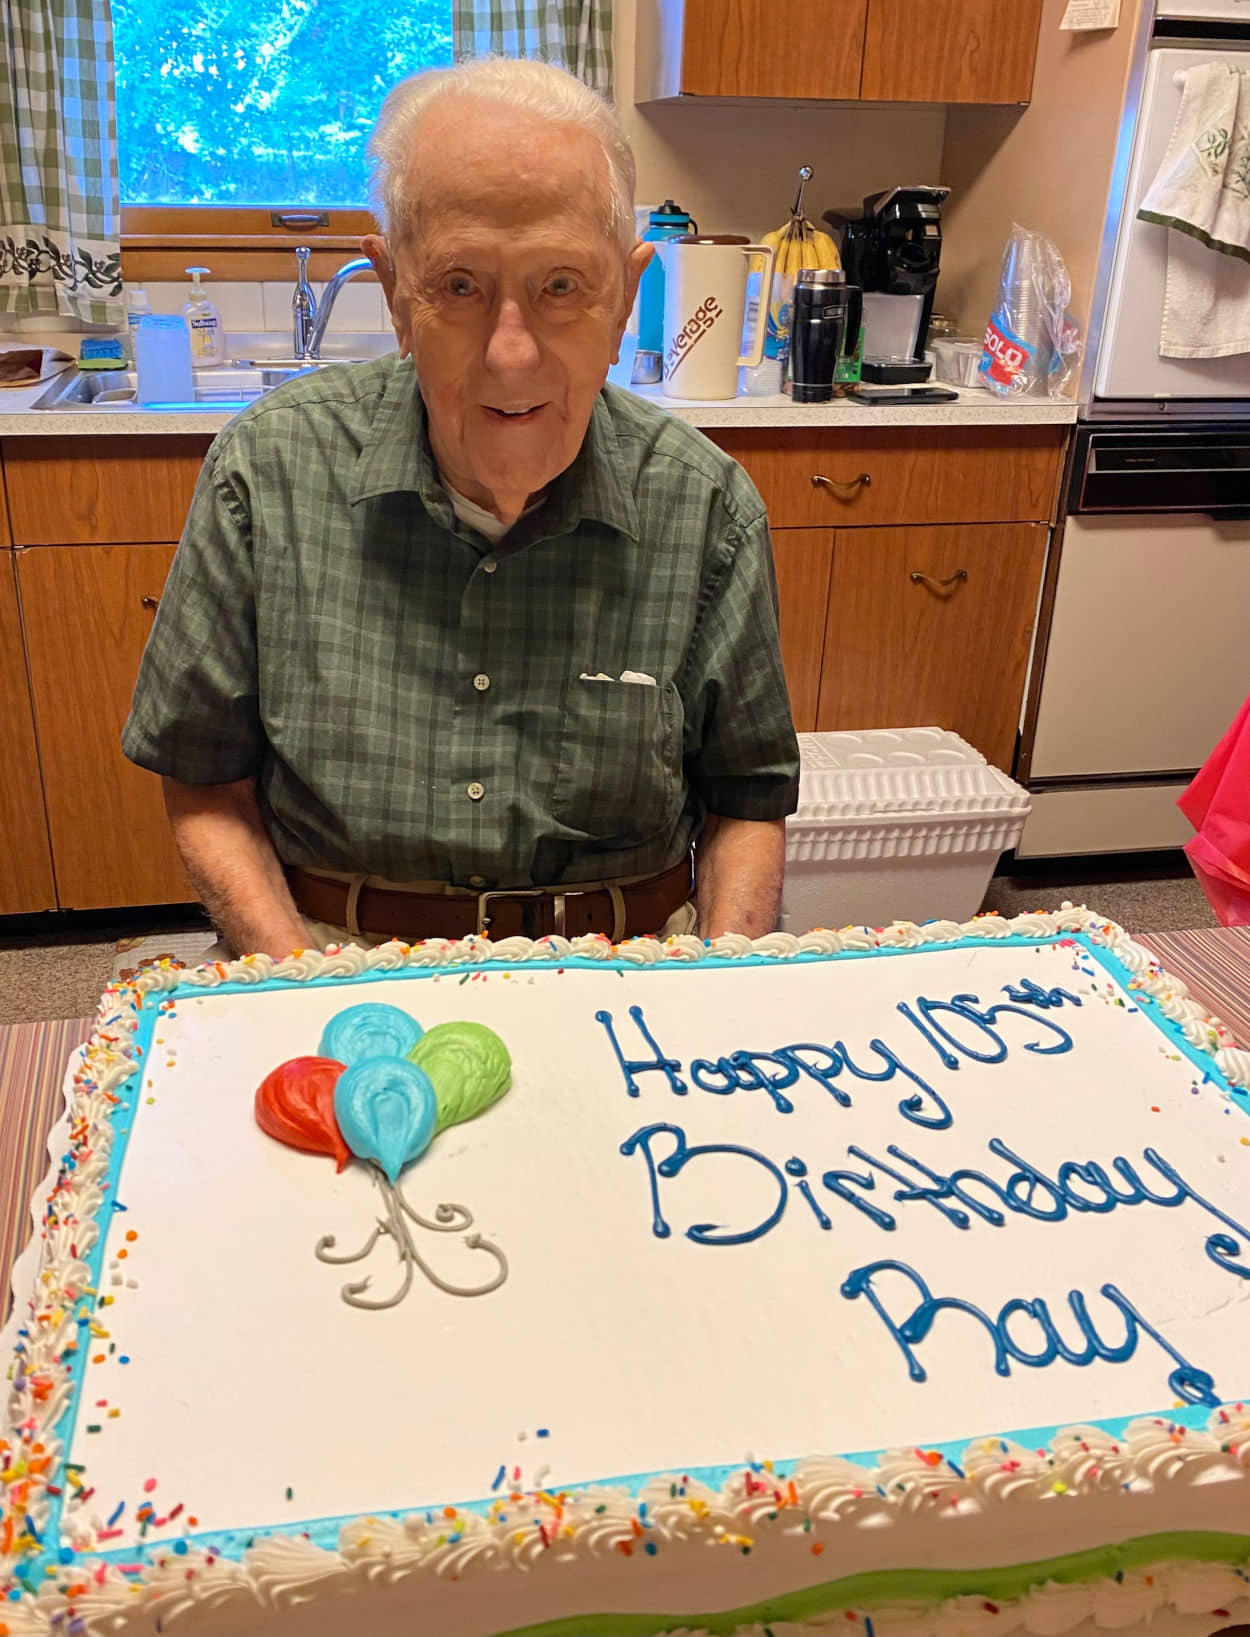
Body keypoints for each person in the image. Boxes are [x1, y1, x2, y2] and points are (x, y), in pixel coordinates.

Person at [122, 58, 799, 958]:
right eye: (459, 285)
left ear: (627, 297)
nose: (512, 355)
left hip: (630, 970)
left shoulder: (707, 506)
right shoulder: (264, 473)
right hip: (323, 957)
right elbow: (204, 781)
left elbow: (746, 799)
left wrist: (719, 986)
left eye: (562, 285)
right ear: (396, 293)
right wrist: (295, 985)